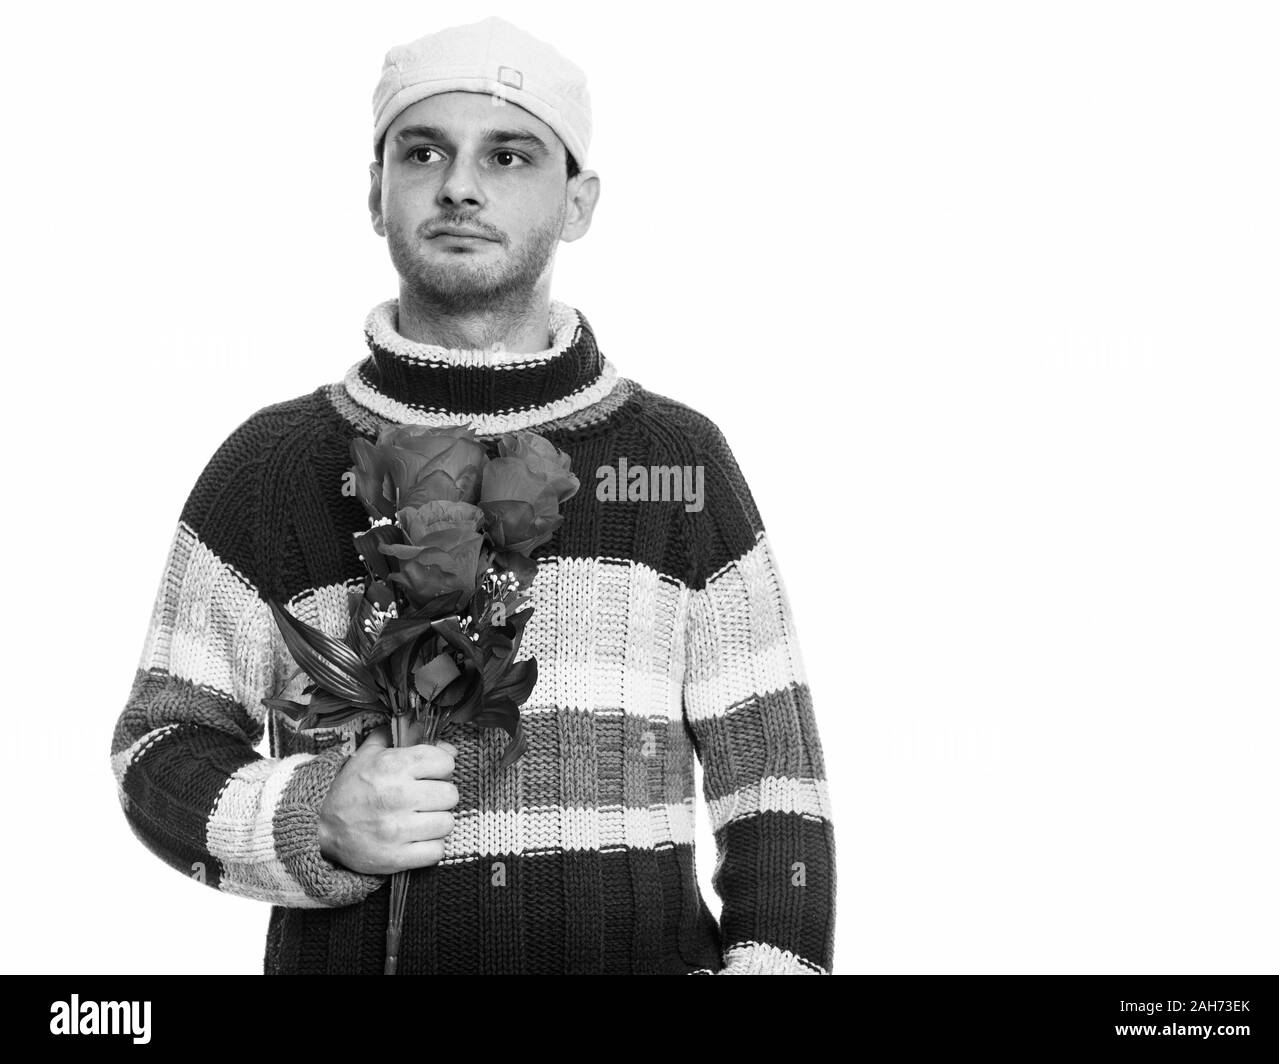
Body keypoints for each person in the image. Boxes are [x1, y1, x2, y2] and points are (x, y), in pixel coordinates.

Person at [110, 15, 836, 975]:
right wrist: (310, 818)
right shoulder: (272, 466)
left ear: (577, 202)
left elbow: (775, 783)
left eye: (508, 155)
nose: (460, 185)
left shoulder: (678, 463)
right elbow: (158, 746)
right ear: (376, 193)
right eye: (424, 152)